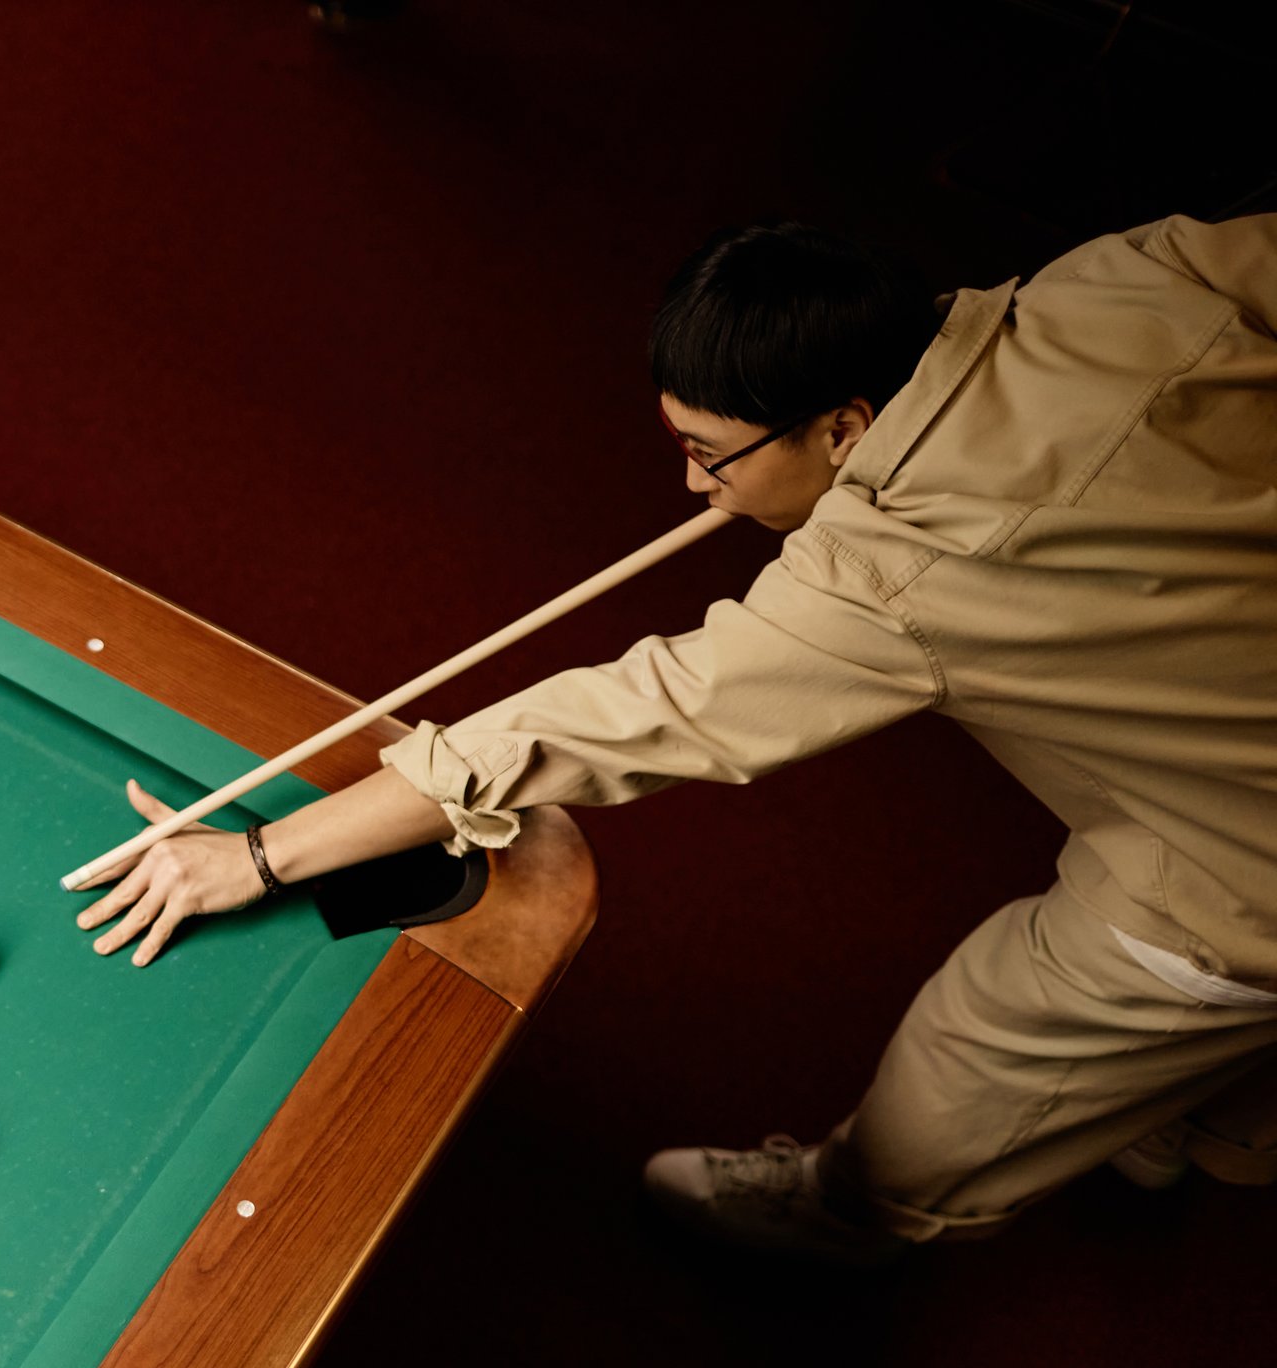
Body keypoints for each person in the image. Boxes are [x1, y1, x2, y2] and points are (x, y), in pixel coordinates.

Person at [74, 211, 1277, 1263]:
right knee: (1195, 1055)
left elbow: (583, 730)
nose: (695, 487)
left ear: (847, 425)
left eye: (712, 455)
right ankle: (1201, 1121)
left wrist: (261, 857)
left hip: (1239, 873)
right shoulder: (1128, 281)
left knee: (981, 1043)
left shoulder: (885, 582)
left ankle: (843, 1214)